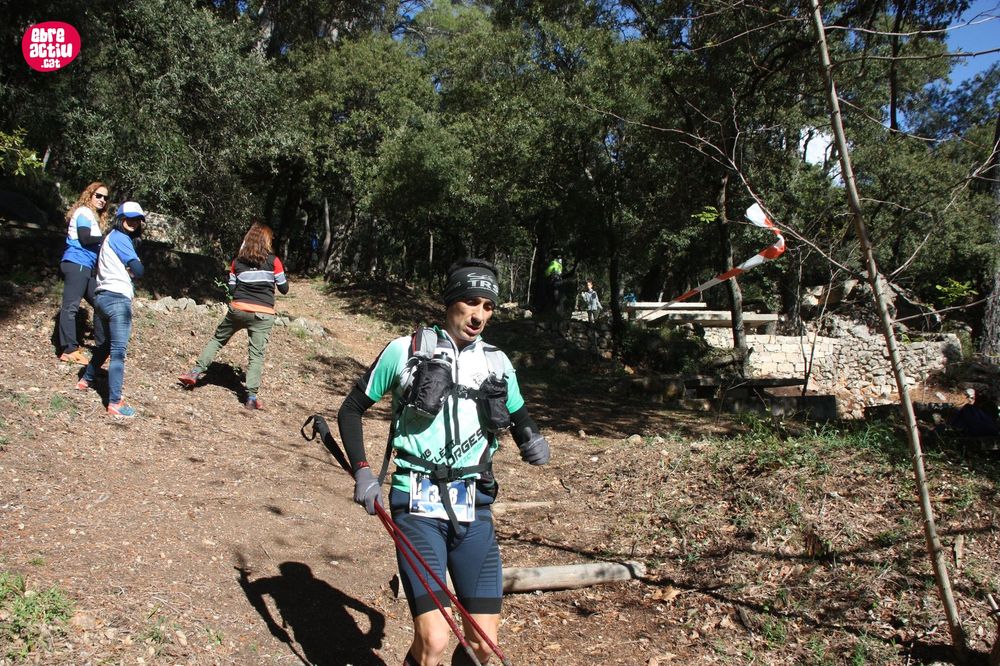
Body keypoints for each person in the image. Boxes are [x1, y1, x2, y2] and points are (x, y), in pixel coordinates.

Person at [336, 258, 551, 666]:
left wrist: (532, 438)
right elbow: (351, 409)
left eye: (488, 306)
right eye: (470, 302)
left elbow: (520, 413)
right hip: (416, 504)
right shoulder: (405, 351)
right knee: (434, 640)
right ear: (451, 301)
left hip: (474, 506)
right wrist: (363, 472)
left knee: (483, 645)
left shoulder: (497, 362)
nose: (479, 315)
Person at [178, 222, 288, 410]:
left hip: (239, 309)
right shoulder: (274, 261)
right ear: (267, 241)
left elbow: (231, 289)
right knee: (256, 355)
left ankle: (195, 373)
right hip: (263, 314)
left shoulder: (237, 262)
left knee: (217, 340)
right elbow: (284, 289)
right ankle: (251, 397)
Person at [75, 201, 146, 417]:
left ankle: (86, 379)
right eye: (130, 218)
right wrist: (133, 267)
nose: (133, 223)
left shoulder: (108, 239)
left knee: (105, 345)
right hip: (118, 300)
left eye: (137, 219)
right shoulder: (121, 238)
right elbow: (139, 270)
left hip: (101, 297)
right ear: (120, 219)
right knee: (118, 352)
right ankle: (115, 402)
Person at [58, 182, 111, 364]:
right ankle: (69, 349)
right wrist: (106, 238)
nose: (102, 200)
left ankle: (103, 347)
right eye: (98, 195)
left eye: (105, 197)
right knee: (71, 306)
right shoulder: (84, 212)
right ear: (89, 195)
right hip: (77, 263)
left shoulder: (93, 217)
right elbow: (85, 238)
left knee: (100, 303)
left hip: (86, 267)